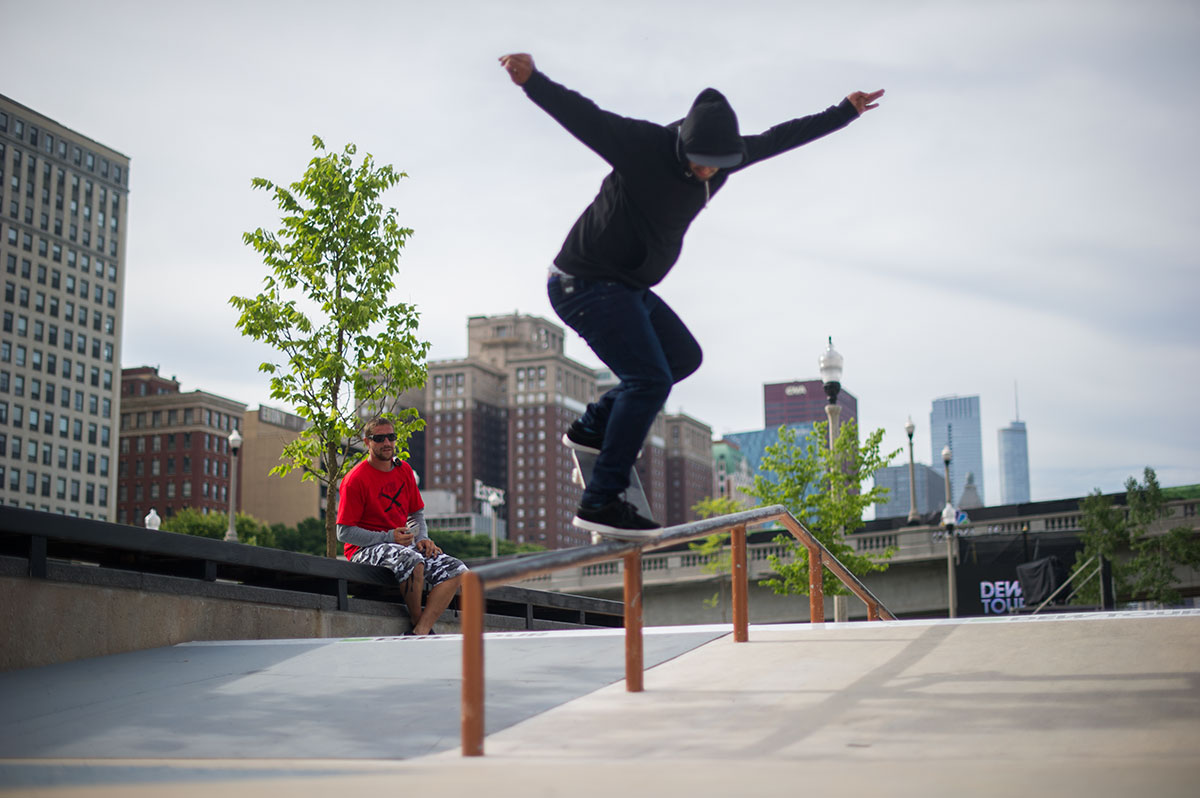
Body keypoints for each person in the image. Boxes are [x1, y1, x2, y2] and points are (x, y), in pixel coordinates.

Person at [499, 53, 883, 539]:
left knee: (682, 357)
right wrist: (533, 81)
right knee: (649, 379)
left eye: (715, 167)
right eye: (699, 162)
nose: (706, 172)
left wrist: (843, 112)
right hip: (582, 282)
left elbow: (778, 139)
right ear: (684, 144)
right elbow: (586, 118)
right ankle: (600, 500)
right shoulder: (644, 146)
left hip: (628, 287)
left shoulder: (726, 158)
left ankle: (594, 426)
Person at [337, 417, 467, 636]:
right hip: (363, 550)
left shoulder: (404, 470)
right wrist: (388, 537)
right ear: (367, 442)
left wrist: (422, 538)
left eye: (391, 437)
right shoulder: (355, 480)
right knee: (411, 560)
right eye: (379, 438)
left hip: (401, 545)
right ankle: (417, 619)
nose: (387, 442)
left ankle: (421, 630)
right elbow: (344, 533)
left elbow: (415, 513)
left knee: (457, 569)